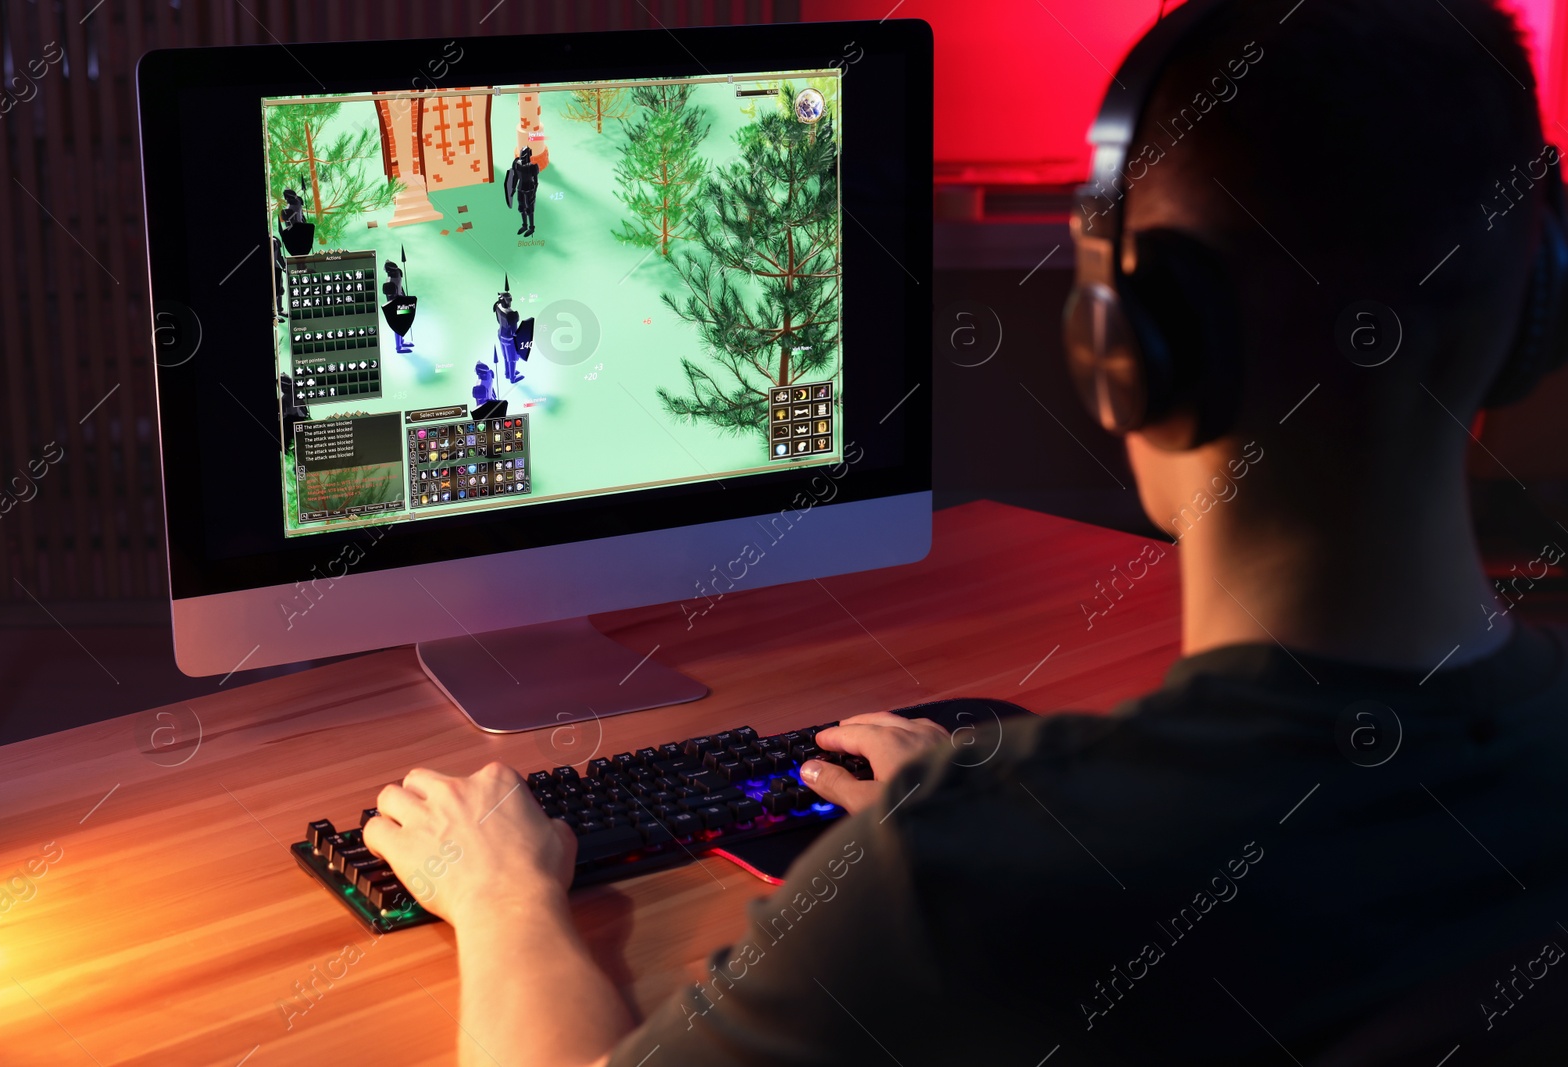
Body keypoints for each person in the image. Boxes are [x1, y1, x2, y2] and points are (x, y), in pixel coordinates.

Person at [361, 1, 1568, 1063]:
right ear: (1533, 305)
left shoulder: (959, 876)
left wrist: (505, 891)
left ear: (1124, 344)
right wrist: (1018, 801)